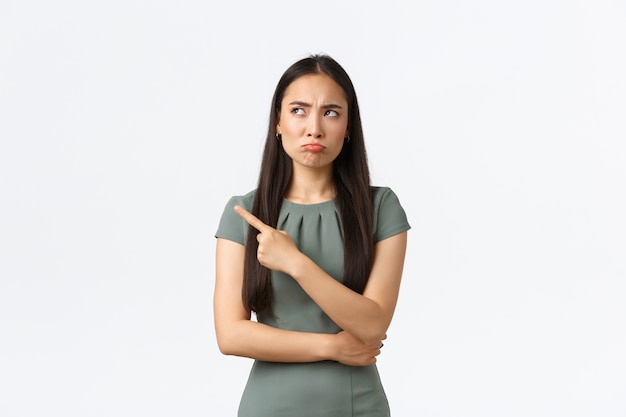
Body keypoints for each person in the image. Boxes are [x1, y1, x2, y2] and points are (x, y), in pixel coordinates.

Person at [213, 54, 411, 417]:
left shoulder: (381, 207)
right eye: (299, 111)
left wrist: (296, 263)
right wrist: (331, 348)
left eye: (331, 112)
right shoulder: (244, 213)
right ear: (278, 120)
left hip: (358, 407)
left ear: (349, 126)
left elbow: (372, 324)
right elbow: (231, 335)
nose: (314, 128)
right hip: (269, 407)